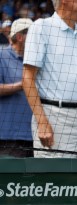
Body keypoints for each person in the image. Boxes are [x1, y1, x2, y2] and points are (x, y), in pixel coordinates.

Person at [22, 0, 77, 158]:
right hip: (56, 116)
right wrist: (42, 122)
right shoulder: (41, 27)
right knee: (58, 179)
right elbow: (28, 77)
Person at [0, 18, 33, 157]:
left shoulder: (35, 60)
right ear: (20, 37)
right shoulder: (1, 55)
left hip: (37, 135)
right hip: (10, 136)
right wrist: (23, 84)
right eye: (33, 35)